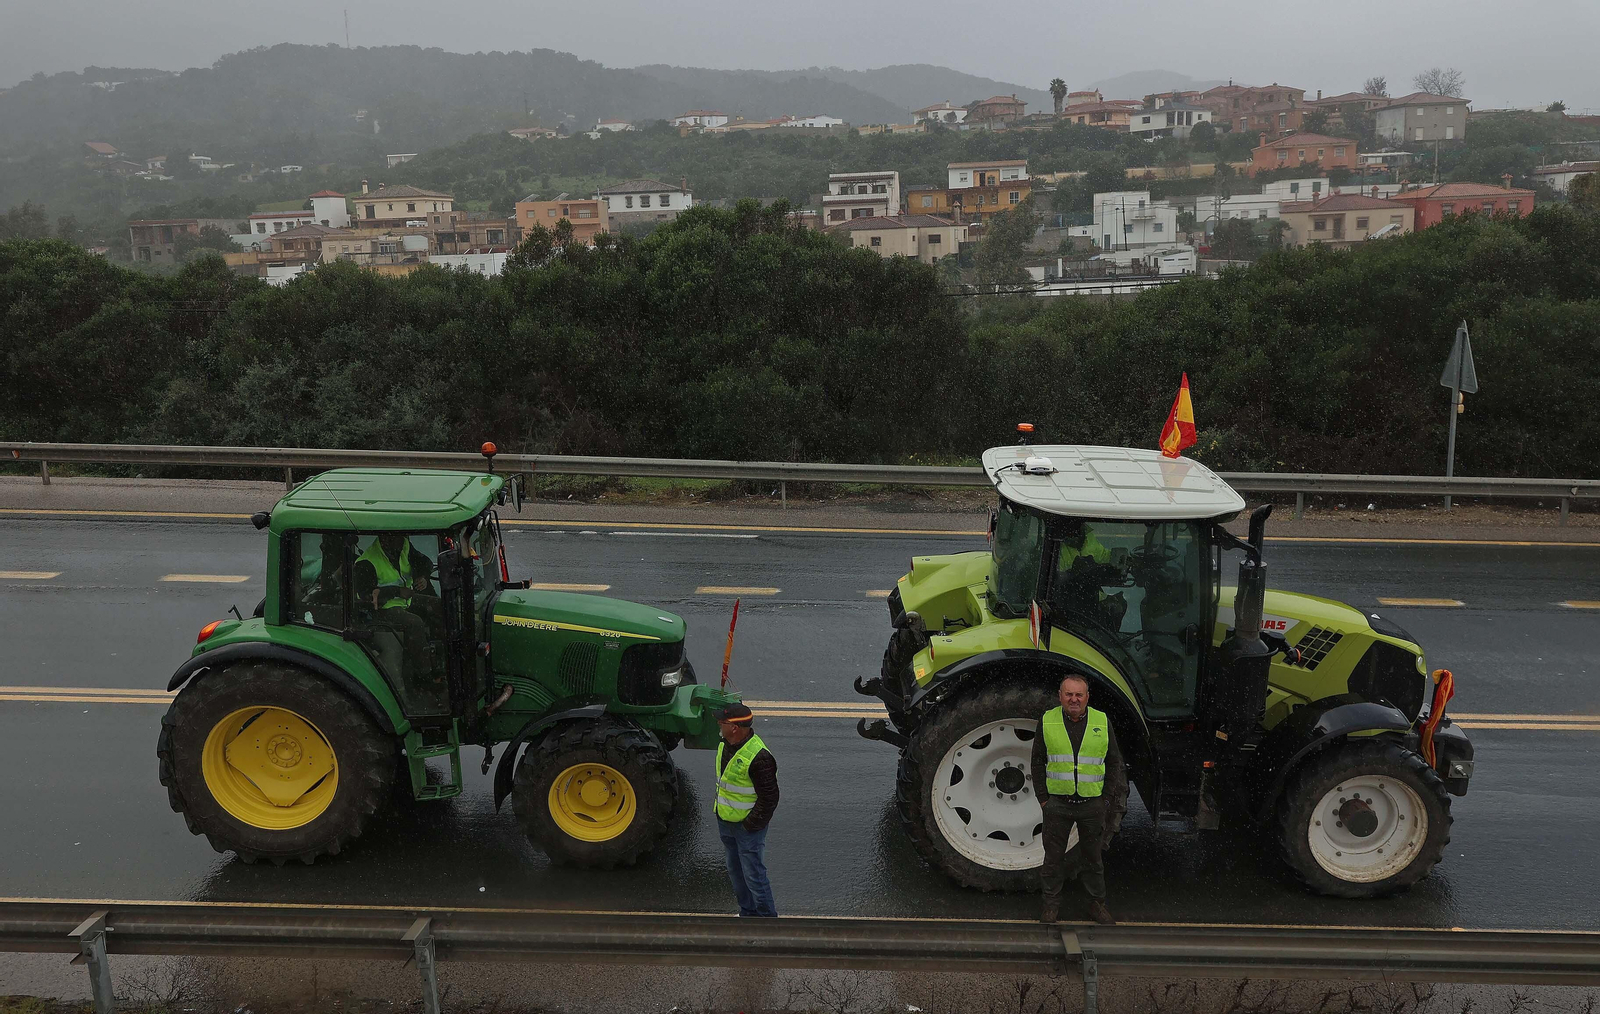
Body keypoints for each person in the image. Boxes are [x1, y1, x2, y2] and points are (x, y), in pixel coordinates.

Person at [1032, 674, 1125, 925]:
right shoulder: (1047, 721)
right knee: (1052, 859)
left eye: (1079, 694)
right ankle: (1050, 907)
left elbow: (1113, 761)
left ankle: (1096, 905)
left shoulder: (1102, 721)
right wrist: (1043, 799)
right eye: (1069, 694)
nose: (1074, 699)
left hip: (1091, 805)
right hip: (1057, 805)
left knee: (1093, 859)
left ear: (1087, 698)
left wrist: (1105, 799)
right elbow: (1038, 760)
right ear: (1060, 696)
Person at [713, 703, 779, 918]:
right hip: (726, 821)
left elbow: (769, 798)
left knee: (754, 876)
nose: (718, 726)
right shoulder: (725, 744)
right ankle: (747, 914)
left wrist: (749, 825)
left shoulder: (759, 757)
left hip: (747, 828)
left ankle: (768, 920)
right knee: (736, 872)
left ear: (734, 728)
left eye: (721, 723)